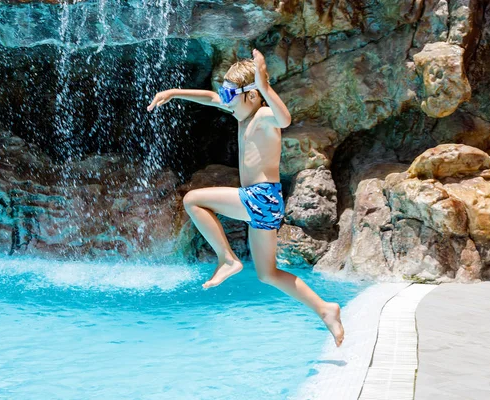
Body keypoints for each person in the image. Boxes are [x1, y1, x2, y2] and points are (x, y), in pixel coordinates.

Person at [147, 49, 344, 346]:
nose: (224, 100)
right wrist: (174, 93)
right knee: (268, 274)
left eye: (230, 95)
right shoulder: (243, 114)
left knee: (193, 200)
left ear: (250, 95)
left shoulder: (263, 115)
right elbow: (210, 98)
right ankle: (325, 309)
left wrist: (264, 86)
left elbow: (285, 118)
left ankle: (227, 259)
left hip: (260, 197)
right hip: (265, 202)